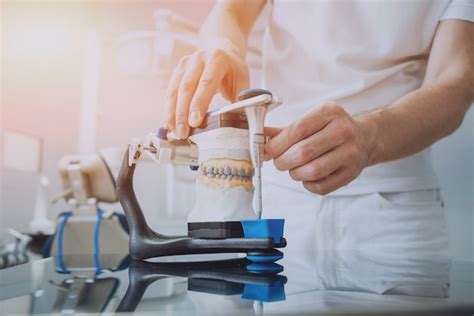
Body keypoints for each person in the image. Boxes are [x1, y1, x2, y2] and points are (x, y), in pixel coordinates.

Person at [163, 0, 474, 254]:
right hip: (275, 202)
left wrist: (370, 137)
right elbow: (231, 9)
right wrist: (223, 46)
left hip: (396, 218)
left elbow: (456, 83)